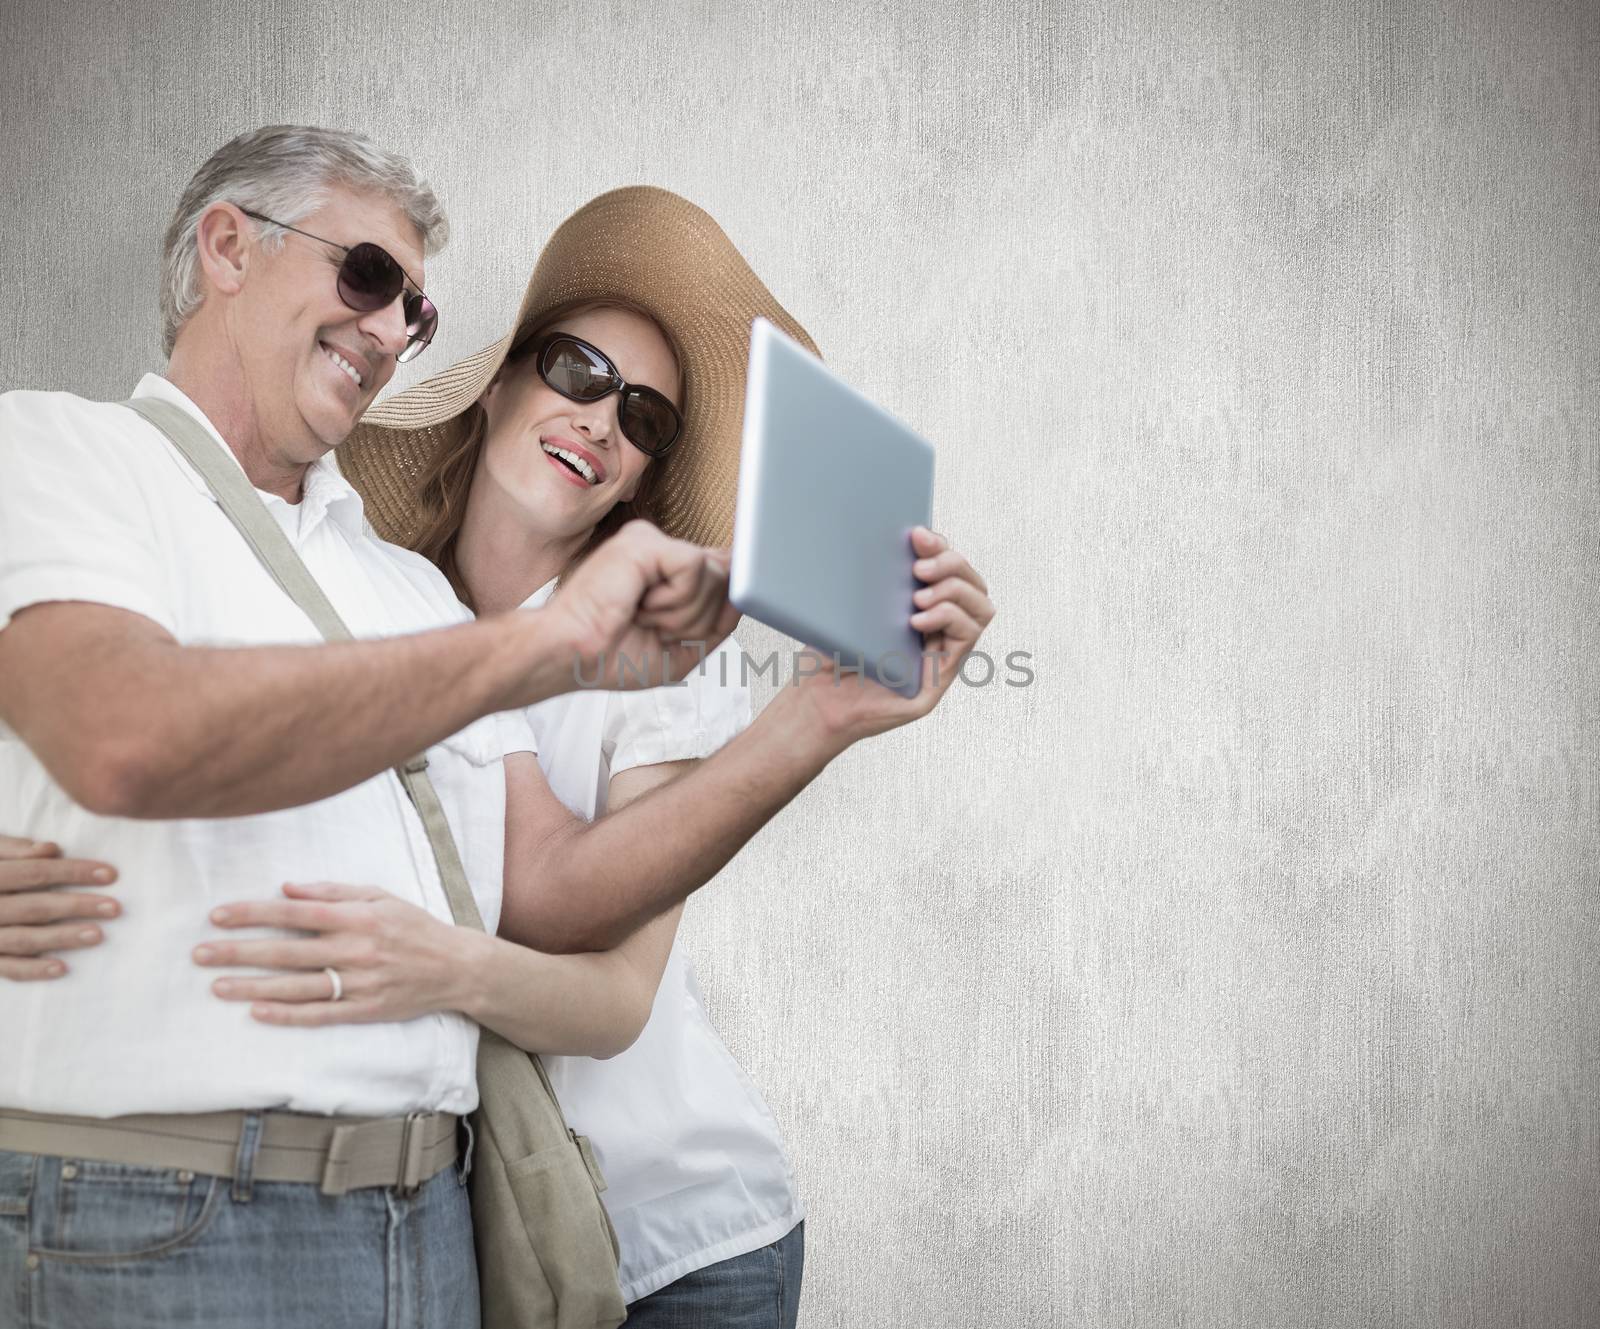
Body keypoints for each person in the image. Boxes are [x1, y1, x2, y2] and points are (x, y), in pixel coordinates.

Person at [0, 186, 995, 1328]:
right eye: (577, 371)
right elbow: (126, 730)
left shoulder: (653, 642)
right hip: (494, 1219)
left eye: (647, 421)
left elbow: (590, 953)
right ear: (499, 384)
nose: (604, 420)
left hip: (663, 1219)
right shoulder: (387, 593)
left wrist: (444, 968)